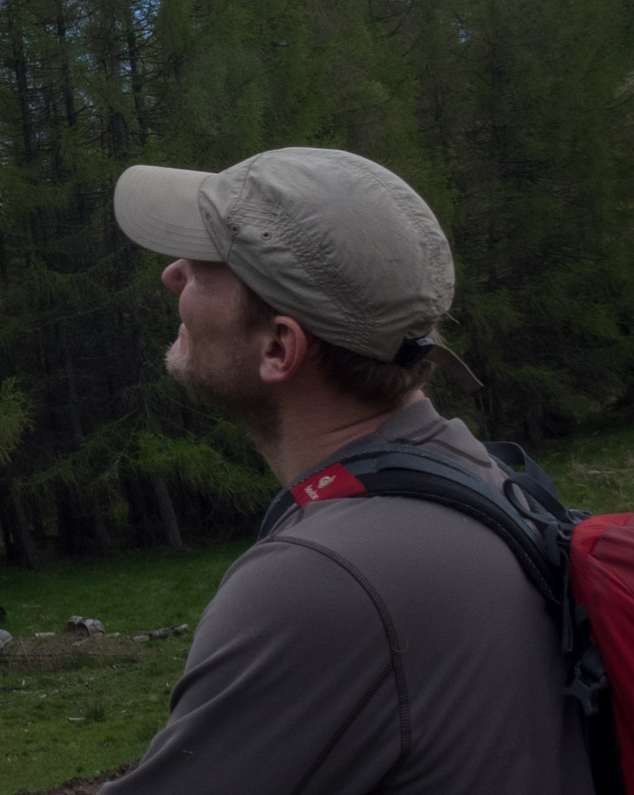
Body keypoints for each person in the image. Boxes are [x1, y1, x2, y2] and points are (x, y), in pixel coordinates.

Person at [102, 147, 591, 794]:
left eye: (205, 263)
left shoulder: (321, 584)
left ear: (280, 347)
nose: (172, 275)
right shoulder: (479, 471)